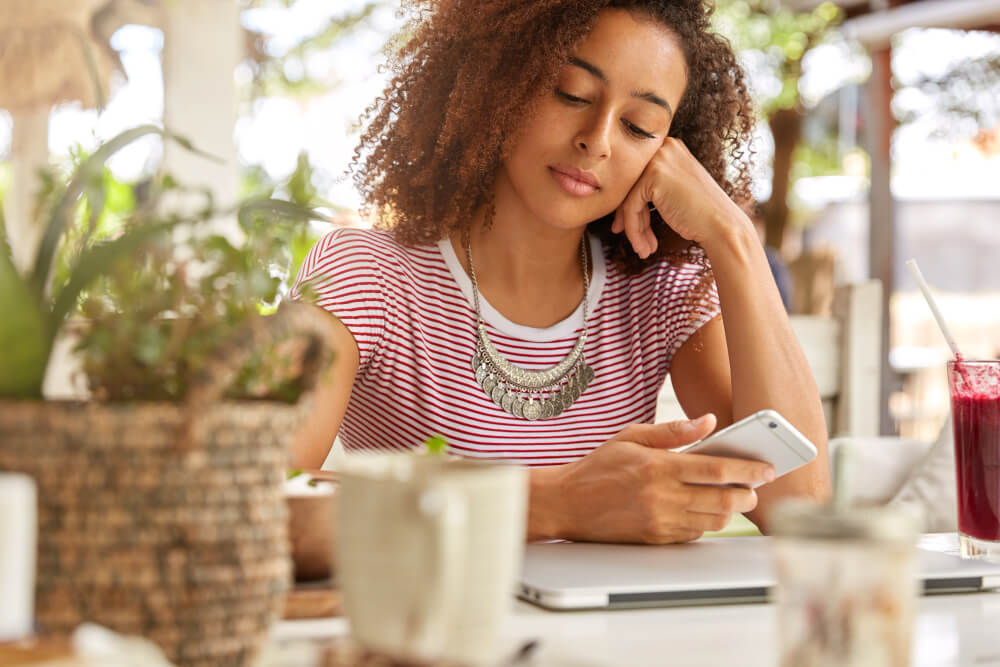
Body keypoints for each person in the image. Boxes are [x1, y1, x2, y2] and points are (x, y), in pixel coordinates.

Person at [290, 0, 830, 543]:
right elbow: (255, 495)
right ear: (498, 81)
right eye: (571, 94)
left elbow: (799, 505)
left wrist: (733, 237)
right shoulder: (365, 275)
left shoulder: (659, 293)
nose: (596, 140)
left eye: (639, 127)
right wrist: (553, 505)